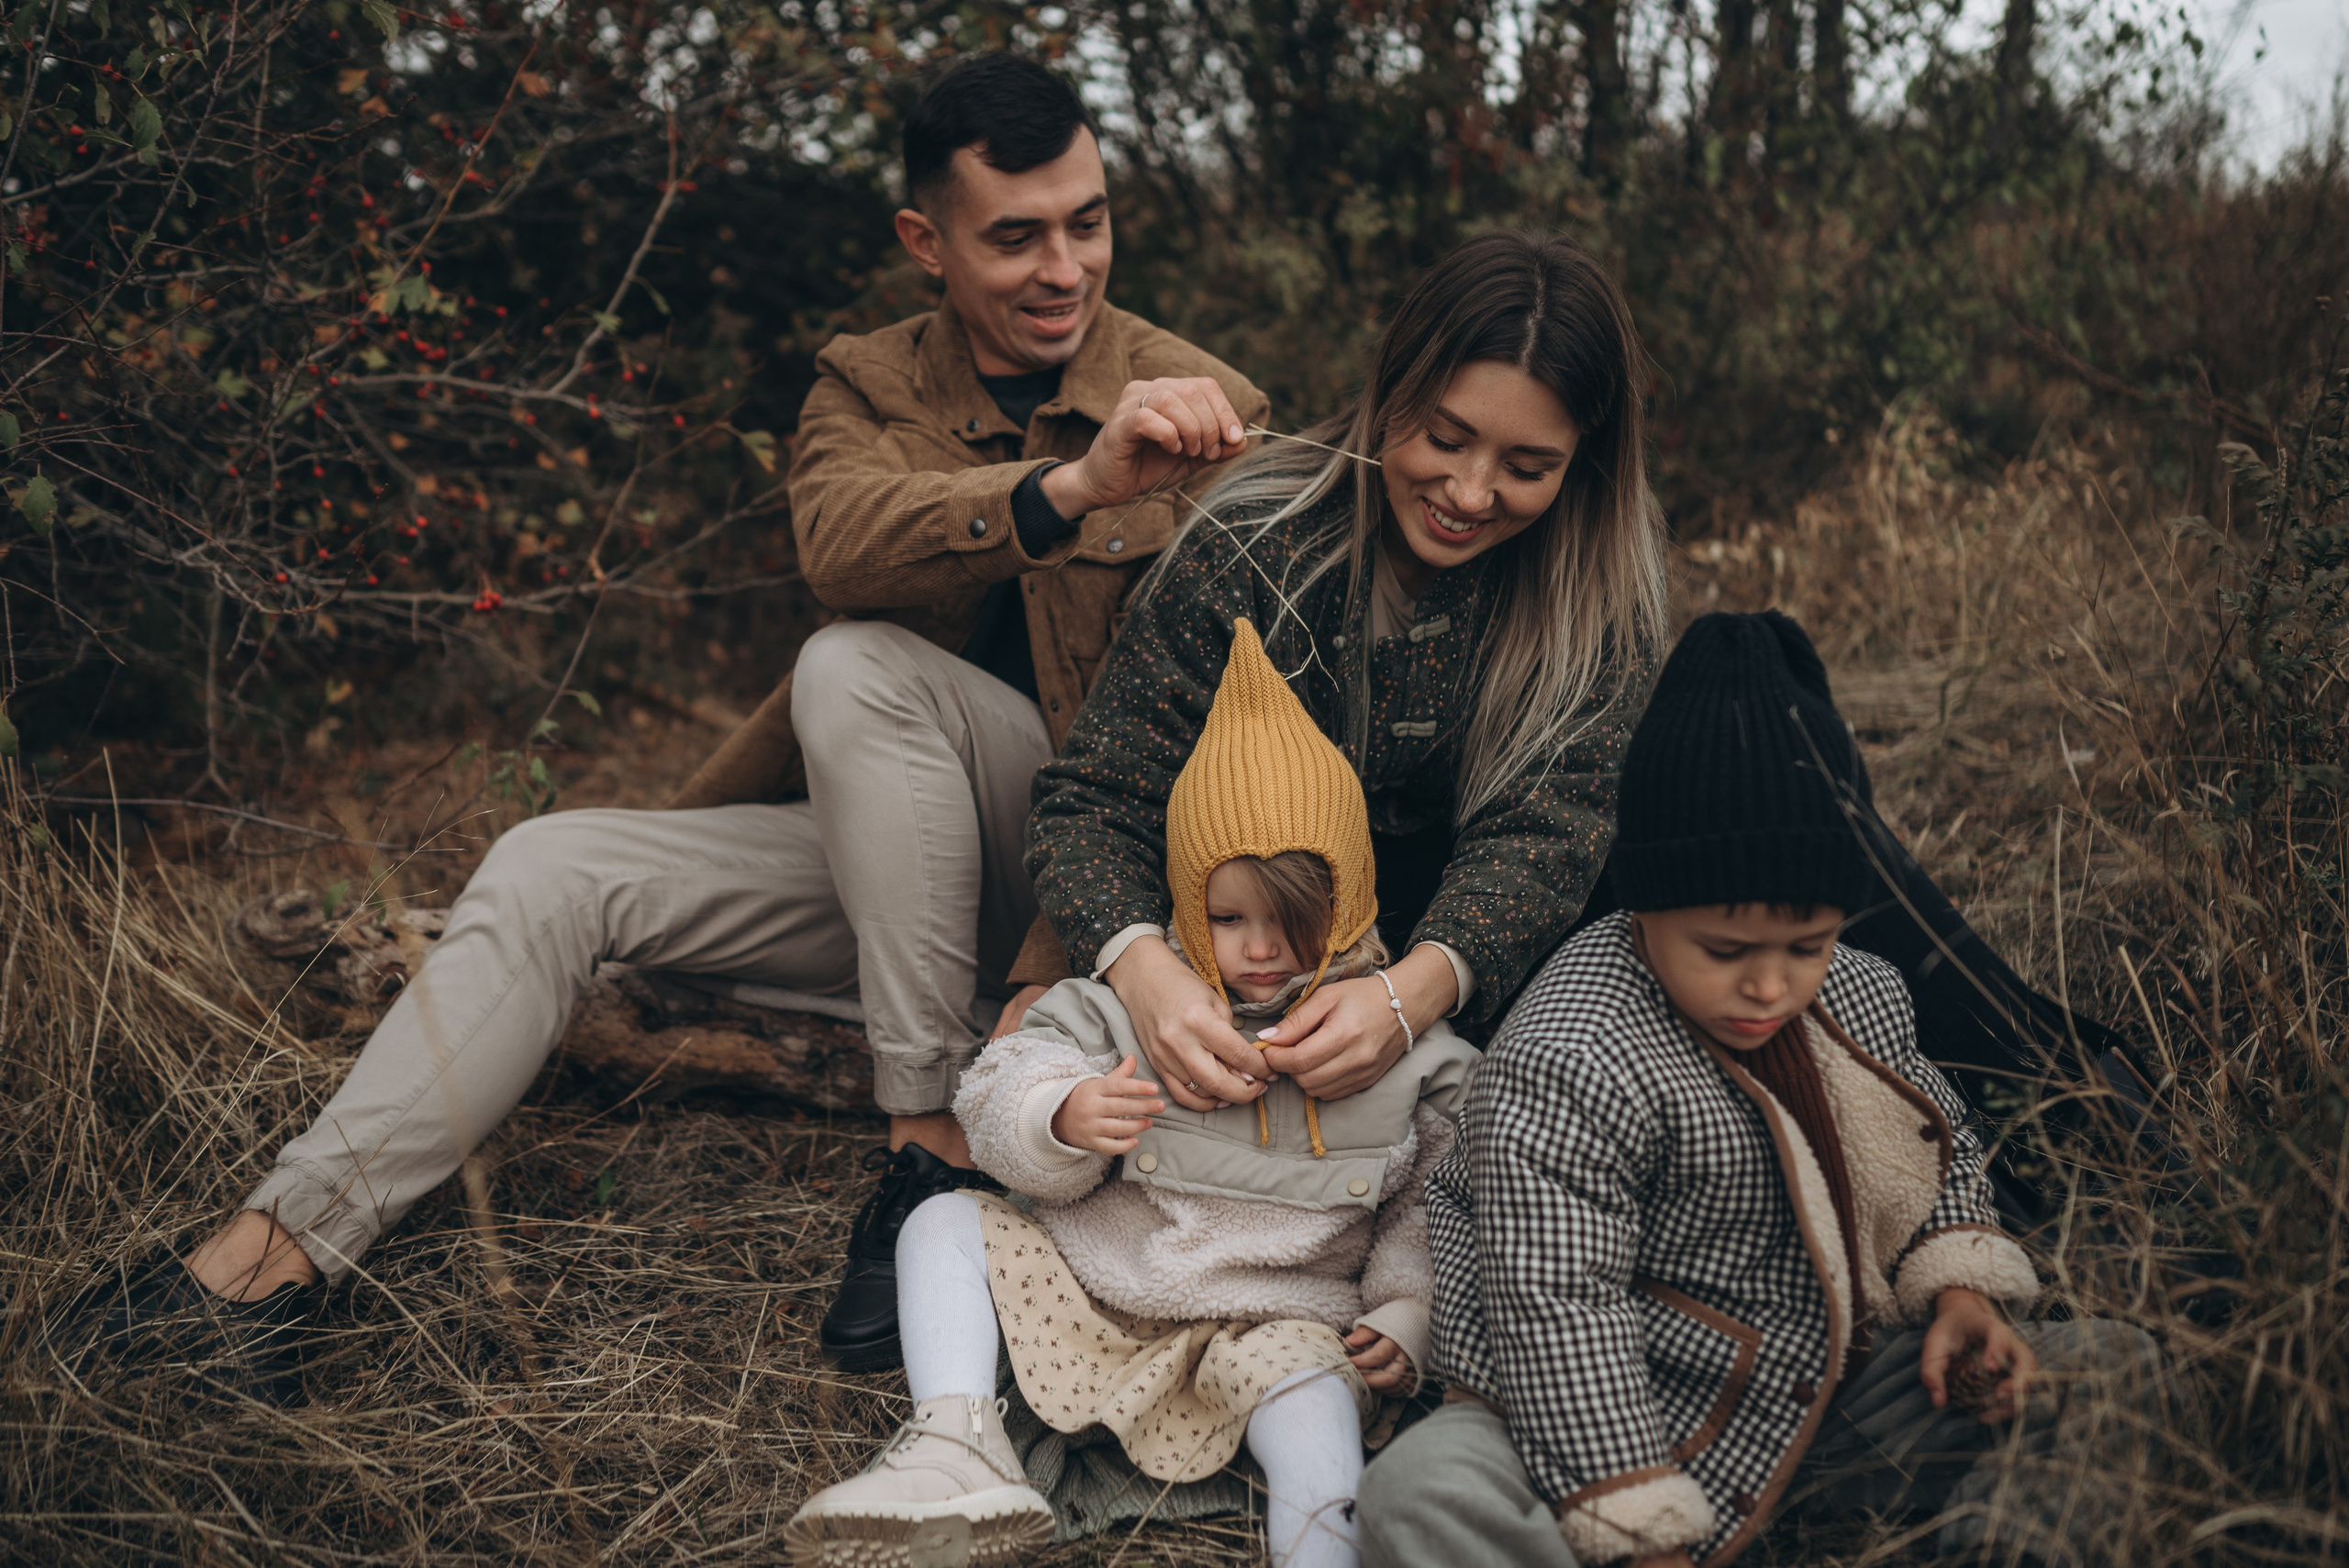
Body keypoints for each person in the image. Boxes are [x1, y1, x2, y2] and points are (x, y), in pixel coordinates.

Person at [83, 50, 1269, 1395]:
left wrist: (1058, 969)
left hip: (1093, 904)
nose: (1065, 267)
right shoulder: (867, 387)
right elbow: (844, 545)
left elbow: (1206, 743)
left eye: (1088, 221)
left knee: (851, 672)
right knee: (549, 863)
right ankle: (275, 1261)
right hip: (906, 888)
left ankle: (927, 1153)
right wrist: (1067, 484)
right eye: (1017, 236)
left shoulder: (1202, 403)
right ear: (923, 244)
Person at [1354, 612, 2165, 1568]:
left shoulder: (1861, 990)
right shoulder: (1571, 1049)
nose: (1771, 984)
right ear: (1645, 906)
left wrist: (1957, 1293)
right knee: (1419, 1492)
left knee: (2114, 1367)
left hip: (1804, 1383)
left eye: (1806, 943)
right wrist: (1634, 1527)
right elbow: (1555, 1306)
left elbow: (1929, 1133)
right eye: (1725, 950)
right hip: (1568, 1415)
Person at [784, 618, 1482, 1568]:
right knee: (941, 1221)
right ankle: (955, 1438)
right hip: (1098, 1296)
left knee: (1313, 1403)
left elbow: (1434, 1197)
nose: (1260, 948)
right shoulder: (1129, 1008)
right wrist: (1060, 1116)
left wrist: (1406, 1311)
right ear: (1185, 904)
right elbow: (1000, 1086)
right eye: (1227, 917)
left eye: (1292, 921)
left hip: (1281, 1321)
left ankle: (1320, 1539)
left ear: (1351, 899)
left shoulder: (1395, 1047)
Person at [1021, 228, 1671, 1143]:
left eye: (1527, 468)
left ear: (1583, 464)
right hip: (1244, 955)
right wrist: (1146, 973)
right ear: (1388, 390)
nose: (1472, 492)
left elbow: (1554, 825)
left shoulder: (1599, 590)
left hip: (1493, 967)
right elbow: (1094, 797)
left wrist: (1415, 991)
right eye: (1445, 438)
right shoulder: (1251, 541)